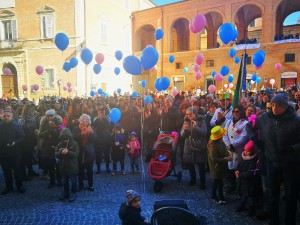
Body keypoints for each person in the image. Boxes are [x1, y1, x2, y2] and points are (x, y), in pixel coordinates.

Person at [247, 93, 300, 225]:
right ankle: (274, 220)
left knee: (290, 196)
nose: (275, 108)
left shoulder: (295, 121)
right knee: (272, 194)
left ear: (286, 107)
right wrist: (256, 141)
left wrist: (292, 149)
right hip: (271, 162)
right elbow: (250, 126)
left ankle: (290, 221)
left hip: (290, 164)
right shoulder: (265, 118)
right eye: (273, 105)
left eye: (279, 106)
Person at [222, 104, 248, 194]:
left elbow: (244, 137)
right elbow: (224, 134)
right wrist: (228, 145)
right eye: (234, 112)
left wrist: (233, 145)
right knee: (230, 167)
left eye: (237, 112)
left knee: (238, 168)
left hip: (238, 149)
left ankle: (239, 187)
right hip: (230, 149)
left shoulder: (245, 123)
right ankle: (231, 185)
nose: (235, 113)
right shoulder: (229, 122)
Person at [0, 109, 26, 194]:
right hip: (3, 153)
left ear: (12, 117)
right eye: (4, 116)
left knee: (17, 171)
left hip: (14, 153)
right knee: (6, 171)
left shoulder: (17, 126)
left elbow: (22, 137)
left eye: (8, 116)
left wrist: (15, 143)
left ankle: (19, 186)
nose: (6, 117)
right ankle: (9, 186)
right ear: (1, 117)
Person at [181, 107, 207, 189]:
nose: (189, 116)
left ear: (195, 114)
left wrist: (196, 127)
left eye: (190, 114)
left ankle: (202, 181)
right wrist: (185, 130)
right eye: (187, 114)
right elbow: (182, 134)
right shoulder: (186, 120)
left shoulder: (201, 120)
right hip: (189, 145)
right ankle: (193, 179)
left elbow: (204, 132)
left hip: (199, 145)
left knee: (201, 164)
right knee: (190, 163)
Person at [235, 140, 261, 216]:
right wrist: (237, 171)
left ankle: (251, 208)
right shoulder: (243, 158)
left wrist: (240, 175)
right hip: (243, 182)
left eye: (248, 151)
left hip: (251, 183)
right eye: (245, 151)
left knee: (251, 196)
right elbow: (239, 166)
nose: (246, 153)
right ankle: (242, 204)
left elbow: (251, 173)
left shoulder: (254, 161)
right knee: (243, 194)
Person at [207, 126, 231, 204]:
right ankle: (213, 196)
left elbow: (225, 149)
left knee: (220, 181)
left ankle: (221, 195)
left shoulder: (220, 142)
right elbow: (214, 159)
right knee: (216, 181)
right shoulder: (213, 146)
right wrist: (225, 159)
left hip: (220, 165)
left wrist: (227, 155)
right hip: (216, 166)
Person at [73, 114, 97, 191]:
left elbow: (96, 139)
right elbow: (74, 138)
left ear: (88, 122)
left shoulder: (91, 128)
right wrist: (81, 134)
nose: (82, 122)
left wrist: (90, 133)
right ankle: (80, 184)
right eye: (81, 120)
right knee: (80, 169)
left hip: (89, 152)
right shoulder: (76, 128)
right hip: (80, 152)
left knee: (90, 170)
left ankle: (91, 185)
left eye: (84, 121)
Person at [55, 128, 79, 202]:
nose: (65, 140)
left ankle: (73, 193)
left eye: (66, 139)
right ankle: (66, 193)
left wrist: (68, 152)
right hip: (63, 166)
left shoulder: (74, 144)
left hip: (72, 166)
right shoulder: (59, 144)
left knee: (73, 181)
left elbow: (76, 154)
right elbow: (56, 154)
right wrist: (61, 153)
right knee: (65, 182)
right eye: (63, 139)